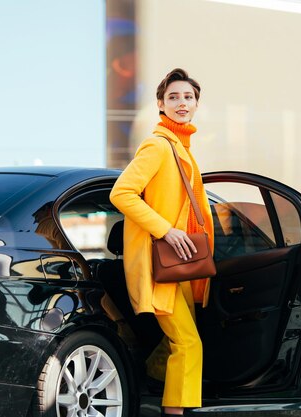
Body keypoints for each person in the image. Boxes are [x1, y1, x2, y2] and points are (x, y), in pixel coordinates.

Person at [110, 68, 214, 416]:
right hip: (161, 261)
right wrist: (165, 229)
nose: (181, 103)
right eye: (174, 97)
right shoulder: (158, 145)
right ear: (161, 104)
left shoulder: (182, 148)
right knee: (188, 343)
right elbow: (121, 193)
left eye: (188, 97)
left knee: (177, 342)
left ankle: (145, 380)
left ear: (196, 104)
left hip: (181, 264)